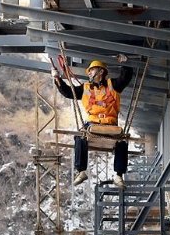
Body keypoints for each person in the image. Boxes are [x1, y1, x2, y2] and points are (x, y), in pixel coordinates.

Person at [52, 54, 133, 189]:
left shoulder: (113, 85)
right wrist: (57, 78)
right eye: (89, 71)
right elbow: (68, 92)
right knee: (80, 136)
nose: (89, 72)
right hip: (92, 124)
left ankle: (119, 175)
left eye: (92, 70)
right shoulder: (85, 88)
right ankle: (81, 171)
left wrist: (125, 62)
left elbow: (125, 78)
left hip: (110, 124)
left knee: (122, 140)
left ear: (101, 71)